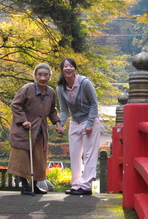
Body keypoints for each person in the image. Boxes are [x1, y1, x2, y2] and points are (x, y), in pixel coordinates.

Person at [7, 63, 64, 195]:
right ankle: (25, 186)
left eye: (46, 75)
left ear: (50, 76)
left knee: (38, 159)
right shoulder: (27, 89)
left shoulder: (51, 92)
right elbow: (15, 105)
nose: (43, 78)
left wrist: (57, 123)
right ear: (35, 76)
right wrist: (23, 120)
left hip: (40, 131)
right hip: (24, 130)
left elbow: (52, 110)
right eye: (40, 75)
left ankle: (34, 186)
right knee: (22, 158)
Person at [56, 57, 100, 196]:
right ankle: (76, 185)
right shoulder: (60, 88)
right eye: (65, 66)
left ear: (75, 69)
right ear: (62, 70)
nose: (68, 68)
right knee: (75, 154)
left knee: (89, 154)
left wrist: (89, 124)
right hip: (75, 121)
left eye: (71, 66)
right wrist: (60, 124)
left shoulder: (85, 83)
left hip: (90, 121)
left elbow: (94, 104)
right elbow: (64, 110)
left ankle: (86, 185)